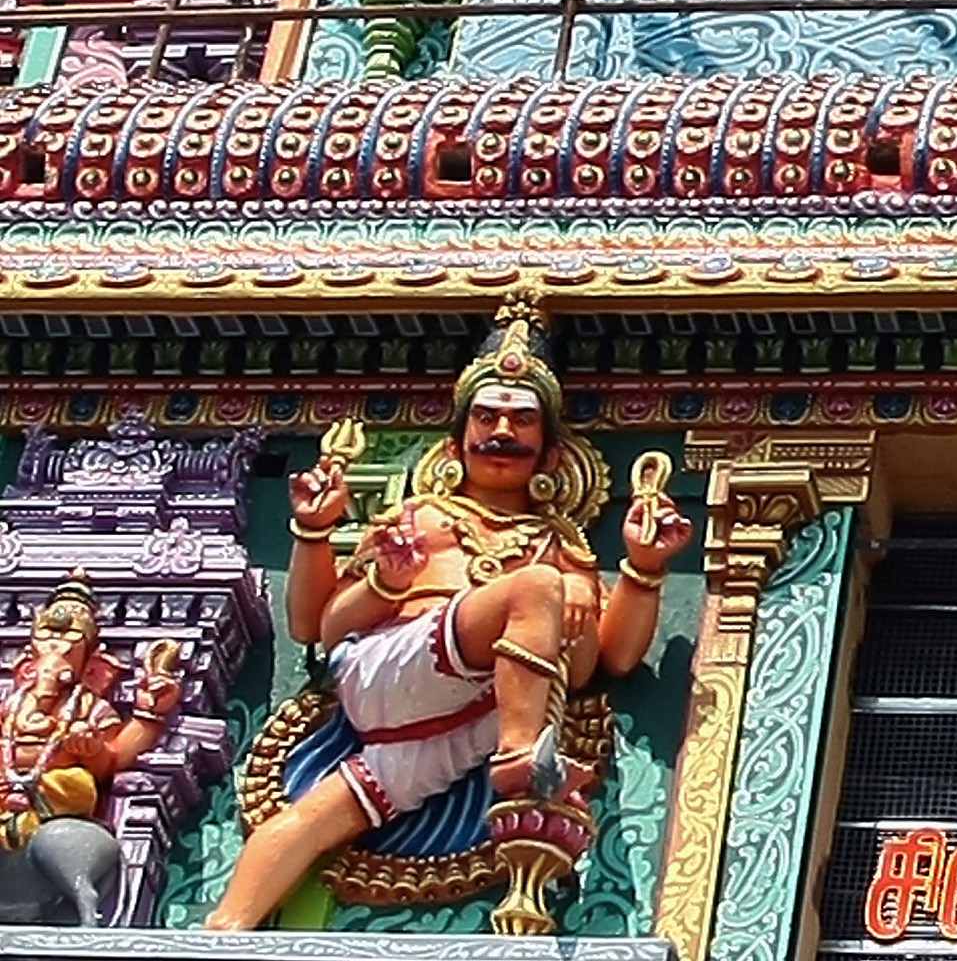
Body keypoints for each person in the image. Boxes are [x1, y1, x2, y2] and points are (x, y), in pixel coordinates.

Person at [204, 298, 693, 930]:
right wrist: (349, 554)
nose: (502, 432)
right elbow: (319, 628)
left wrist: (642, 568)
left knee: (319, 815)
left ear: (548, 455)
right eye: (486, 418)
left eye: (521, 422)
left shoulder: (559, 545)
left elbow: (605, 660)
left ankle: (225, 925)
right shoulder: (427, 521)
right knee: (535, 589)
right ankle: (523, 758)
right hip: (396, 668)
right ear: (457, 443)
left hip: (467, 716)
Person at [0, 575, 181, 850]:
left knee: (79, 783)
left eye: (69, 648)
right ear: (28, 666)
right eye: (47, 641)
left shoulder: (90, 707)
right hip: (5, 784)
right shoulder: (13, 704)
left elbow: (115, 757)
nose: (52, 661)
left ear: (91, 669)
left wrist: (147, 713)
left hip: (56, 786)